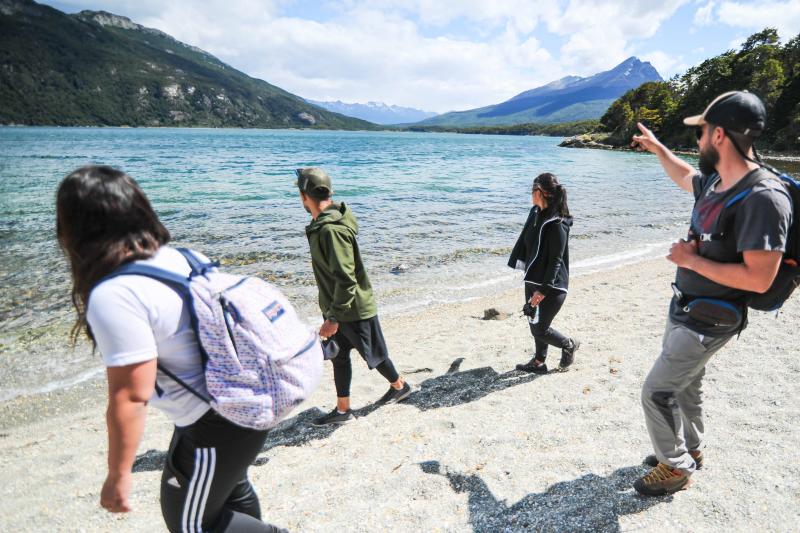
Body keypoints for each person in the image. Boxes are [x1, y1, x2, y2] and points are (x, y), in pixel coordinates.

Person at [56, 165, 286, 532]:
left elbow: (131, 395)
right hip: (245, 397)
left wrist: (118, 474)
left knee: (192, 525)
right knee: (227, 490)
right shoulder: (183, 257)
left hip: (217, 420)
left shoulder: (114, 294)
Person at [630, 91, 792, 496]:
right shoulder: (718, 181)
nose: (697, 140)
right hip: (686, 306)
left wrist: (690, 259)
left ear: (718, 134)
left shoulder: (764, 198)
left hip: (713, 317)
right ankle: (693, 450)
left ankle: (676, 466)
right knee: (686, 384)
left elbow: (759, 278)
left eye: (700, 132)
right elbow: (686, 175)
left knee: (657, 391)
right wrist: (659, 149)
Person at [296, 167, 411, 426]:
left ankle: (400, 386)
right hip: (338, 306)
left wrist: (333, 317)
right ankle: (343, 409)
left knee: (375, 356)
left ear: (305, 195)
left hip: (353, 308)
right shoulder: (323, 224)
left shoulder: (331, 230)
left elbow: (347, 280)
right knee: (339, 357)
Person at [508, 172, 579, 374]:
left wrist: (543, 290)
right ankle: (539, 362)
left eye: (532, 190)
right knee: (533, 321)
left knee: (540, 328)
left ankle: (568, 344)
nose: (530, 194)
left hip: (552, 286)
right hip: (533, 280)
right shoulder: (535, 213)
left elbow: (556, 261)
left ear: (542, 192)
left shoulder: (558, 224)